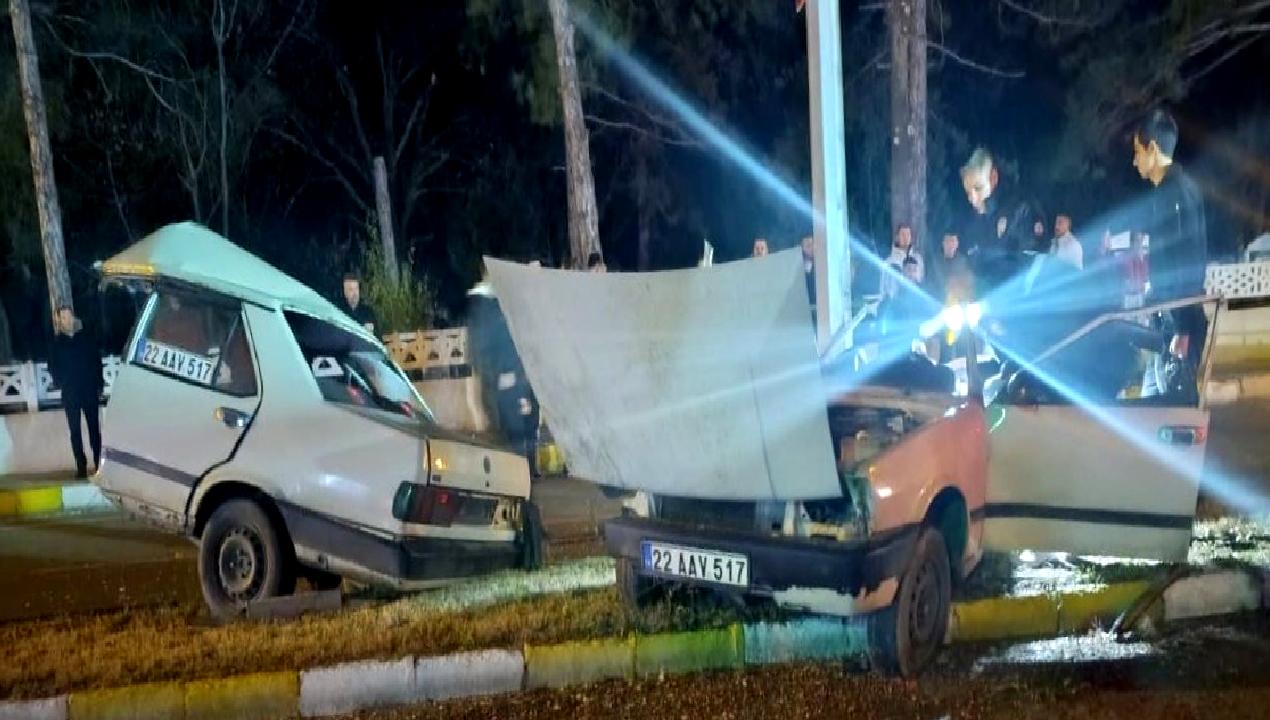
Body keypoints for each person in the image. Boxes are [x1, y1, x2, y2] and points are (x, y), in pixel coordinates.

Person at [1131, 109, 1208, 394]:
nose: (1135, 160)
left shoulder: (1174, 194)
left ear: (1152, 148)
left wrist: (1182, 329)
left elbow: (1184, 264)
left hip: (1178, 325)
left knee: (1175, 419)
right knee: (1152, 415)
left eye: (1137, 151)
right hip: (1168, 323)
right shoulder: (1179, 190)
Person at [466, 271, 540, 476]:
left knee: (523, 428)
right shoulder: (489, 306)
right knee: (515, 430)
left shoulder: (494, 306)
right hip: (507, 380)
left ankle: (525, 470)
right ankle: (521, 471)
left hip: (514, 379)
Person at [48, 306, 103, 478]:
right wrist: (61, 381)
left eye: (69, 316)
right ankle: (81, 466)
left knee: (94, 429)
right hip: (71, 392)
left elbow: (96, 362)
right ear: (59, 320)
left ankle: (98, 463)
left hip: (88, 390)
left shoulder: (85, 338)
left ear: (73, 317)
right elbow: (53, 366)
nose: (67, 320)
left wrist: (98, 384)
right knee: (75, 431)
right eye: (63, 318)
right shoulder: (57, 343)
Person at [928, 232, 974, 305]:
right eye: (948, 241)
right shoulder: (934, 262)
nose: (950, 245)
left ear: (957, 244)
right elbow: (930, 283)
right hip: (939, 300)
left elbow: (968, 282)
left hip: (959, 301)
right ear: (943, 243)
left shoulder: (962, 261)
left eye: (953, 241)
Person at [881, 224, 924, 298]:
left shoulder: (918, 259)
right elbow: (883, 287)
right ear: (897, 237)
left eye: (908, 234)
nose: (905, 238)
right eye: (903, 234)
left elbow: (921, 280)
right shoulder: (890, 261)